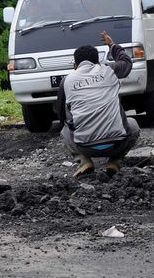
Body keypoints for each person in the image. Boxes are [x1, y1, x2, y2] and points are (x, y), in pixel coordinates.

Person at [57, 31, 140, 177]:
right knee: (132, 125)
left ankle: (84, 161)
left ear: (75, 64)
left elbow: (62, 114)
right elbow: (127, 62)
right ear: (97, 62)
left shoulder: (66, 80)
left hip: (85, 147)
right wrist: (112, 45)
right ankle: (115, 161)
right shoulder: (109, 70)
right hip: (117, 144)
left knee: (64, 129)